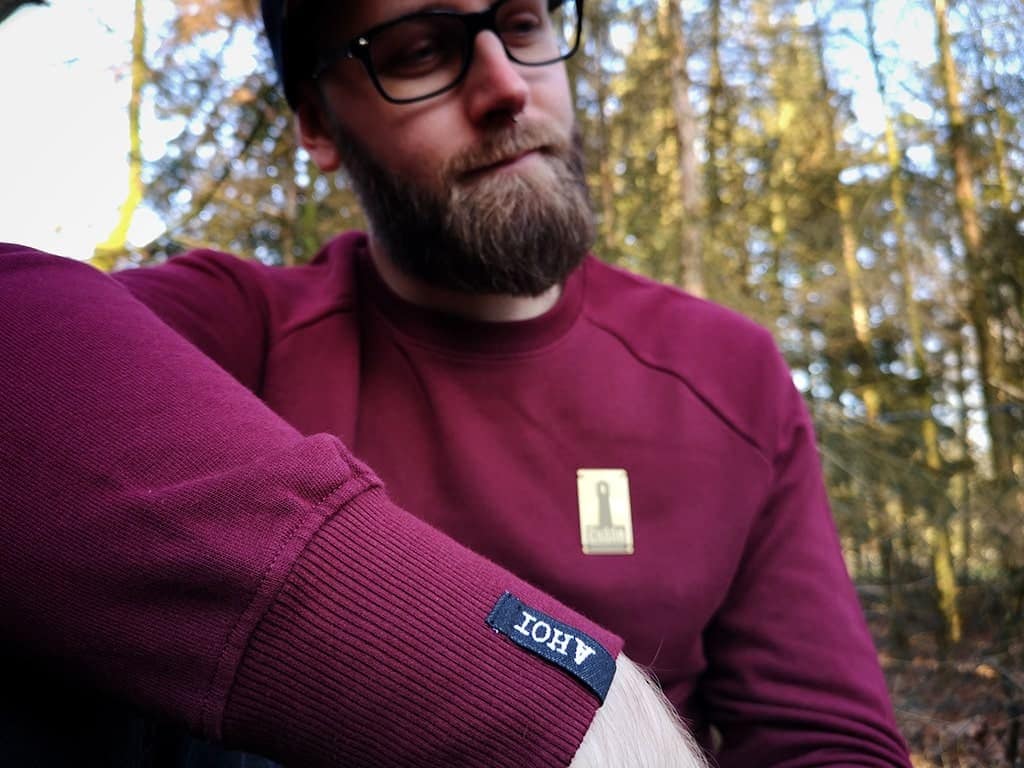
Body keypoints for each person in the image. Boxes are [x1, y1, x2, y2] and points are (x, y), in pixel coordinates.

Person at [0, 0, 912, 765]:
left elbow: (824, 741)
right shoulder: (241, 331)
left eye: (523, 24)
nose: (507, 86)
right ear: (317, 123)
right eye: (422, 52)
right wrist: (559, 701)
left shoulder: (728, 371)